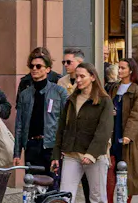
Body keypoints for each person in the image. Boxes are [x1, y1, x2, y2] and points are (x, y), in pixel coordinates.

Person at [54, 63, 115, 203]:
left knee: (97, 197)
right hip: (71, 153)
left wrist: (92, 153)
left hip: (95, 155)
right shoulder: (71, 100)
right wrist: (56, 154)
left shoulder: (104, 101)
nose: (78, 80)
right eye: (77, 77)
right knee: (64, 196)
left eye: (82, 76)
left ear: (93, 77)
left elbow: (104, 130)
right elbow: (62, 128)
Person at [17, 49, 68, 182]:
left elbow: (66, 121)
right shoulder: (25, 94)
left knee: (51, 185)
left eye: (38, 66)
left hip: (51, 146)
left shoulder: (59, 92)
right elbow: (19, 124)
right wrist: (17, 152)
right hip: (31, 145)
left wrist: (63, 147)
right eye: (32, 66)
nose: (34, 69)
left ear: (47, 69)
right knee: (31, 184)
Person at [112, 58, 138, 202]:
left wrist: (128, 135)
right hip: (113, 131)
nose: (120, 70)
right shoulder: (114, 87)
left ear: (130, 70)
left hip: (127, 136)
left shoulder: (136, 90)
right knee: (111, 172)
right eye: (119, 68)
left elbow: (136, 115)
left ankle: (125, 200)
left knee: (127, 174)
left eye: (123, 68)